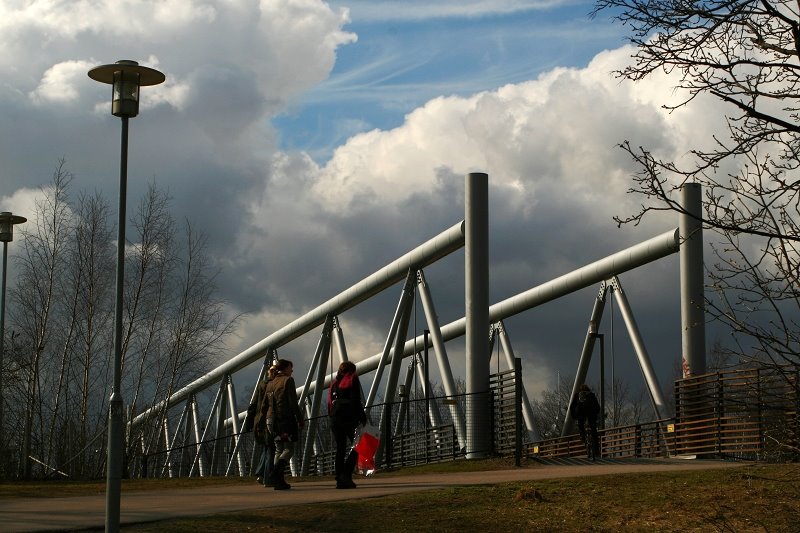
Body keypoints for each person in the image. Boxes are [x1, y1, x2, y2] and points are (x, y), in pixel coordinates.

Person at [264, 359, 304, 490]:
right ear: (285, 368)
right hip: (284, 419)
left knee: (278, 449)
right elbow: (292, 402)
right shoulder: (288, 380)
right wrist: (299, 418)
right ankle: (276, 472)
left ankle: (278, 481)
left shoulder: (270, 383)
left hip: (271, 419)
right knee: (288, 448)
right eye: (290, 368)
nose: (292, 371)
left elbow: (265, 404)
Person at [328, 361, 367, 489]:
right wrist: (362, 417)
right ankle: (346, 474)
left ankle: (339, 478)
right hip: (348, 417)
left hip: (335, 417)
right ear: (352, 370)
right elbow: (356, 400)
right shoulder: (352, 378)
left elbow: (330, 402)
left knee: (340, 448)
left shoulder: (334, 383)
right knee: (357, 445)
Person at [252, 362, 278, 487]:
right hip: (269, 418)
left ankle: (260, 472)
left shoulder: (261, 384)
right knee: (271, 449)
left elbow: (254, 404)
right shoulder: (273, 386)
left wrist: (251, 420)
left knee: (267, 447)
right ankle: (266, 477)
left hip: (260, 419)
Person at [570, 383, 601, 460]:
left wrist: (574, 416)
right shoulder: (591, 395)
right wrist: (596, 414)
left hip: (581, 414)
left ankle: (583, 436)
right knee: (593, 430)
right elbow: (597, 407)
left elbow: (572, 407)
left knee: (581, 425)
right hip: (591, 415)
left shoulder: (577, 395)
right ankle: (596, 449)